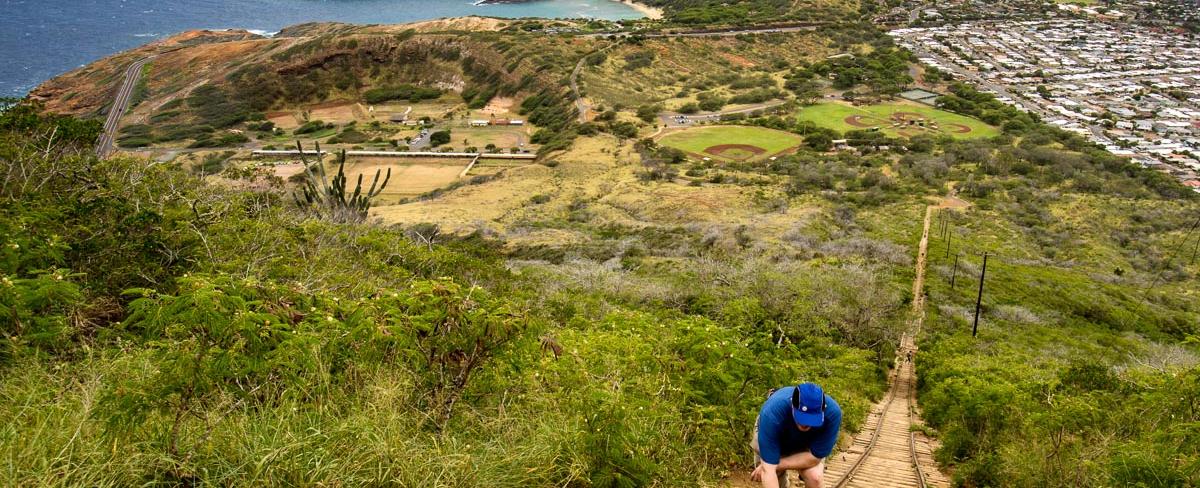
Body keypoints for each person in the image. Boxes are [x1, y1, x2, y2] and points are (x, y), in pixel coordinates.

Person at [750, 383, 842, 488]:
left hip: (808, 440)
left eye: (812, 419)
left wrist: (778, 465)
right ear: (792, 406)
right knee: (773, 474)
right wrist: (770, 465)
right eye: (802, 418)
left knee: (815, 477)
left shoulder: (832, 414)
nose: (806, 424)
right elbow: (769, 470)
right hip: (776, 433)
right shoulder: (772, 414)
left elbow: (814, 457)